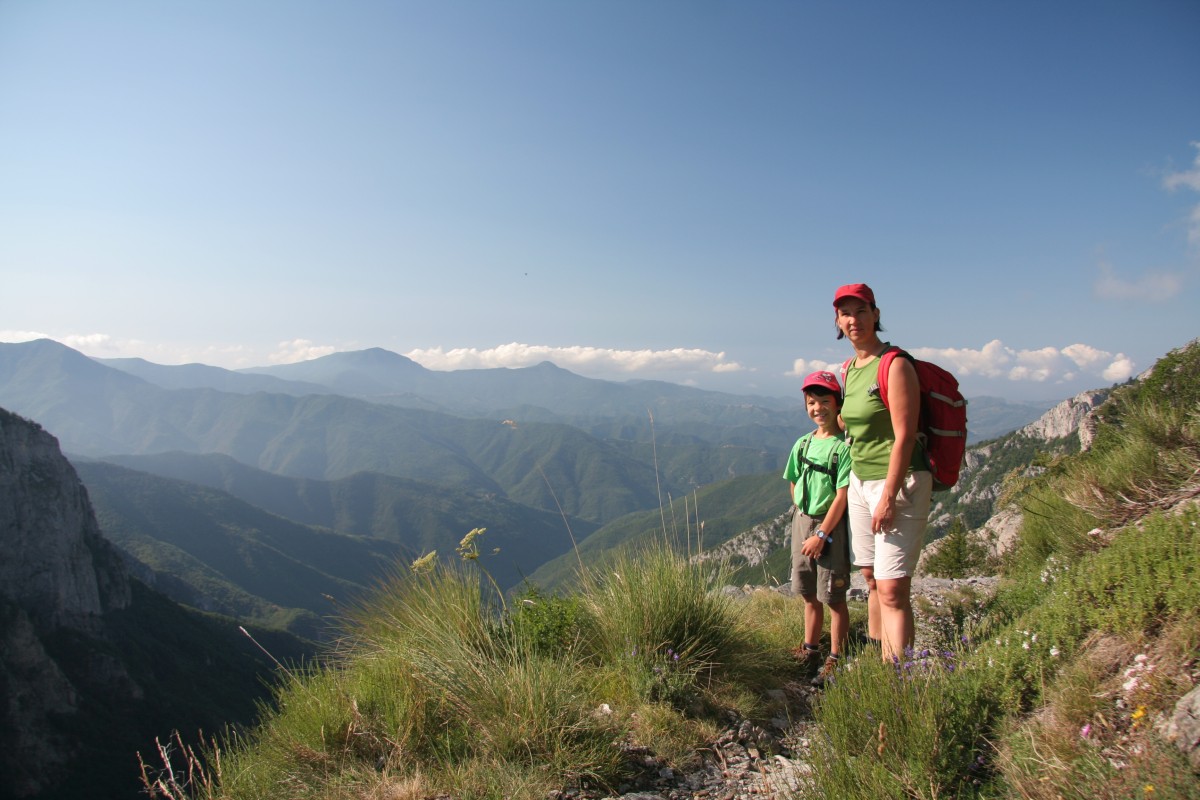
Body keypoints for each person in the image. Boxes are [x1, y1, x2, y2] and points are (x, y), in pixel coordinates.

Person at [833, 282, 932, 663]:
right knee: (871, 577)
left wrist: (889, 497)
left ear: (876, 314)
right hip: (860, 481)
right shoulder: (849, 369)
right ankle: (879, 656)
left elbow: (905, 435)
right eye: (845, 313)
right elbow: (854, 421)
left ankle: (898, 677)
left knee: (892, 590)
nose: (853, 320)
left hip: (900, 483)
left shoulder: (895, 364)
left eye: (861, 311)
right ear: (838, 322)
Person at [782, 370, 852, 686]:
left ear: (838, 404)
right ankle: (810, 651)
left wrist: (821, 534)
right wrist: (800, 506)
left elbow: (843, 496)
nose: (818, 408)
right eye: (812, 402)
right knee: (809, 593)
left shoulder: (843, 447)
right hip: (802, 520)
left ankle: (835, 659)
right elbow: (793, 479)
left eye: (825, 401)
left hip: (829, 525)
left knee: (833, 598)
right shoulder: (804, 443)